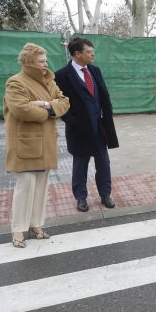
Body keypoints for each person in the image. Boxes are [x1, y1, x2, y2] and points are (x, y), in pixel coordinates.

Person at [4, 43, 69, 247]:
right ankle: (18, 230)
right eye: (41, 61)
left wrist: (45, 105)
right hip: (25, 144)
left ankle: (36, 225)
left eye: (45, 60)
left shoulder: (49, 80)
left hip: (46, 142)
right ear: (29, 62)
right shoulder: (16, 82)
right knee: (25, 186)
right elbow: (21, 110)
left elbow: (64, 102)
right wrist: (50, 109)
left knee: (41, 186)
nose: (45, 64)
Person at [55, 38, 119, 212]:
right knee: (80, 164)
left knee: (103, 163)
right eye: (89, 52)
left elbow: (104, 96)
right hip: (79, 130)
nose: (93, 54)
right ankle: (81, 197)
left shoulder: (95, 71)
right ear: (77, 54)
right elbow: (58, 104)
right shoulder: (62, 75)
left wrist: (108, 116)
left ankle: (105, 194)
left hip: (99, 127)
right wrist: (73, 123)